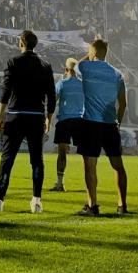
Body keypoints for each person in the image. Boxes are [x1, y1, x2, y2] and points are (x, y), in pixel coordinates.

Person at [0, 30, 55, 213]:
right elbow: (52, 95)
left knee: (7, 159)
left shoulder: (13, 62)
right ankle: (36, 201)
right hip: (36, 117)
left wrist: (0, 116)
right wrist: (49, 119)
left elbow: (5, 91)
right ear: (35, 45)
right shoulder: (46, 65)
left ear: (21, 43)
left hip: (15, 115)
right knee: (37, 160)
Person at [75, 39, 129, 217]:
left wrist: (89, 55)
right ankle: (122, 205)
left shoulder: (86, 67)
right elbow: (123, 103)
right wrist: (118, 122)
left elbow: (75, 64)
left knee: (90, 165)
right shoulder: (117, 74)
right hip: (110, 124)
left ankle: (93, 205)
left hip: (91, 123)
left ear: (94, 52)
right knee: (118, 165)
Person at [50, 58, 84, 192]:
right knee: (86, 155)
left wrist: (48, 119)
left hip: (64, 121)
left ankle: (60, 184)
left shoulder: (62, 84)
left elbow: (53, 102)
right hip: (80, 121)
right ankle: (89, 183)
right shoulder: (83, 85)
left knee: (62, 153)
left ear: (66, 70)